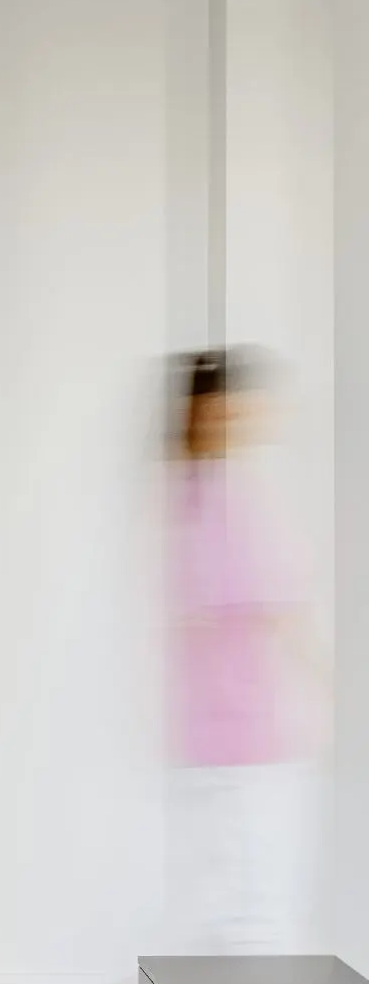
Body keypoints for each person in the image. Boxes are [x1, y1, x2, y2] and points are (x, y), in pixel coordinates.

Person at [163, 349, 321, 953]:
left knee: (234, 907)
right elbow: (272, 613)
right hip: (240, 738)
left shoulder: (201, 494)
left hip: (227, 736)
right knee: (255, 913)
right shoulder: (215, 498)